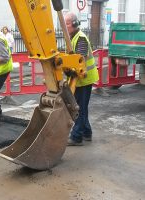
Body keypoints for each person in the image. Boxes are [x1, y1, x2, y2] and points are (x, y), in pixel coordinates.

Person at [64, 12, 99, 146]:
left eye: (67, 23)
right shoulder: (72, 37)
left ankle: (76, 137)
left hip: (84, 79)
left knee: (78, 108)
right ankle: (86, 133)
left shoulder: (81, 38)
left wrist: (69, 70)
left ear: (74, 24)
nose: (65, 26)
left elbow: (80, 60)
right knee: (82, 107)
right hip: (79, 78)